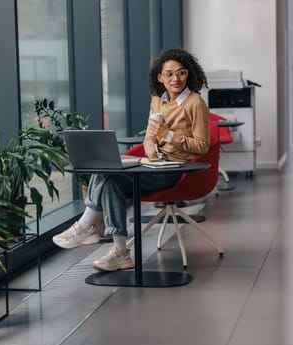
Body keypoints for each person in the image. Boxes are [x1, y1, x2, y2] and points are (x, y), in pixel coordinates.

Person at [52, 48, 210, 271]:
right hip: (153, 163)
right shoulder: (158, 100)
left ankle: (86, 227)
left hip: (174, 170)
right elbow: (148, 137)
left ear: (189, 74)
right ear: (160, 77)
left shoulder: (195, 103)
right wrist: (151, 148)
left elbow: (202, 145)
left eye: (181, 73)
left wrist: (169, 136)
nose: (176, 79)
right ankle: (120, 253)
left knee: (110, 178)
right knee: (106, 168)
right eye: (170, 74)